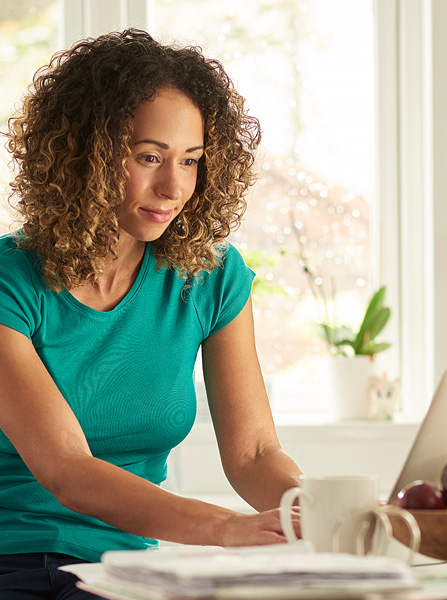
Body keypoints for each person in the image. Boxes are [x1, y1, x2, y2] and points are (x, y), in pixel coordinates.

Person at [0, 28, 302, 599]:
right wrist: (223, 528)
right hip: (13, 557)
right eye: (148, 157)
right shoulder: (10, 281)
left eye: (191, 161)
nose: (173, 186)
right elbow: (66, 469)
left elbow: (255, 454)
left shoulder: (211, 277)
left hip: (126, 571)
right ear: (83, 155)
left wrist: (314, 509)